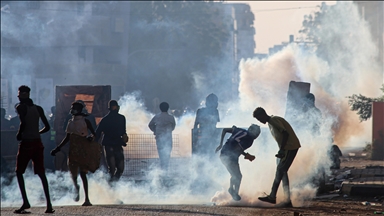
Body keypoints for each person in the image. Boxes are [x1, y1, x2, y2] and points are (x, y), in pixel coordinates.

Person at [14, 85, 54, 214]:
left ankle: (25, 202)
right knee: (42, 174)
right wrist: (37, 133)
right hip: (38, 143)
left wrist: (20, 134)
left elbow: (23, 123)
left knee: (19, 172)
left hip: (26, 143)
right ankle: (49, 204)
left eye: (20, 94)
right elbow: (47, 127)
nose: (19, 96)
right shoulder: (38, 108)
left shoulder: (20, 107)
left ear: (24, 94)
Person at [253, 107, 301, 207]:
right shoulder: (272, 122)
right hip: (289, 147)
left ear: (262, 115)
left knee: (280, 170)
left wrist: (282, 149)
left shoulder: (273, 120)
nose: (259, 121)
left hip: (290, 147)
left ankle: (272, 196)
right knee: (283, 173)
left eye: (259, 118)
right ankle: (287, 200)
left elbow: (285, 133)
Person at [51, 101, 96, 206]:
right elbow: (67, 137)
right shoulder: (70, 122)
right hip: (73, 149)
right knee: (73, 173)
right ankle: (76, 187)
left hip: (83, 149)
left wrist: (91, 138)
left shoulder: (86, 121)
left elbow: (94, 134)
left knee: (83, 173)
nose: (72, 110)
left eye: (74, 108)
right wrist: (58, 148)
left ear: (79, 110)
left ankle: (87, 199)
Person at [215, 124, 261, 201]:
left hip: (223, 154)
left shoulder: (240, 130)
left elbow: (225, 130)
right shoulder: (249, 139)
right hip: (231, 157)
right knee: (238, 176)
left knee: (234, 175)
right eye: (257, 133)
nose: (257, 135)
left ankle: (233, 191)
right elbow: (237, 149)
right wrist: (246, 155)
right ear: (252, 131)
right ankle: (234, 192)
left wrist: (221, 144)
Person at [95, 100, 128, 182]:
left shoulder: (107, 119)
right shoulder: (118, 118)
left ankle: (112, 183)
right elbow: (98, 132)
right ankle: (112, 185)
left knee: (115, 168)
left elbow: (98, 133)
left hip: (113, 144)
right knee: (116, 168)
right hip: (112, 144)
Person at [148, 102, 176, 173]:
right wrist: (169, 131)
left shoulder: (157, 117)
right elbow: (173, 126)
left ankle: (162, 169)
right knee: (167, 154)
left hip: (159, 138)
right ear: (168, 108)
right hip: (168, 138)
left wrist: (155, 130)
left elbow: (150, 125)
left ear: (160, 108)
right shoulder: (171, 117)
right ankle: (165, 169)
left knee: (161, 154)